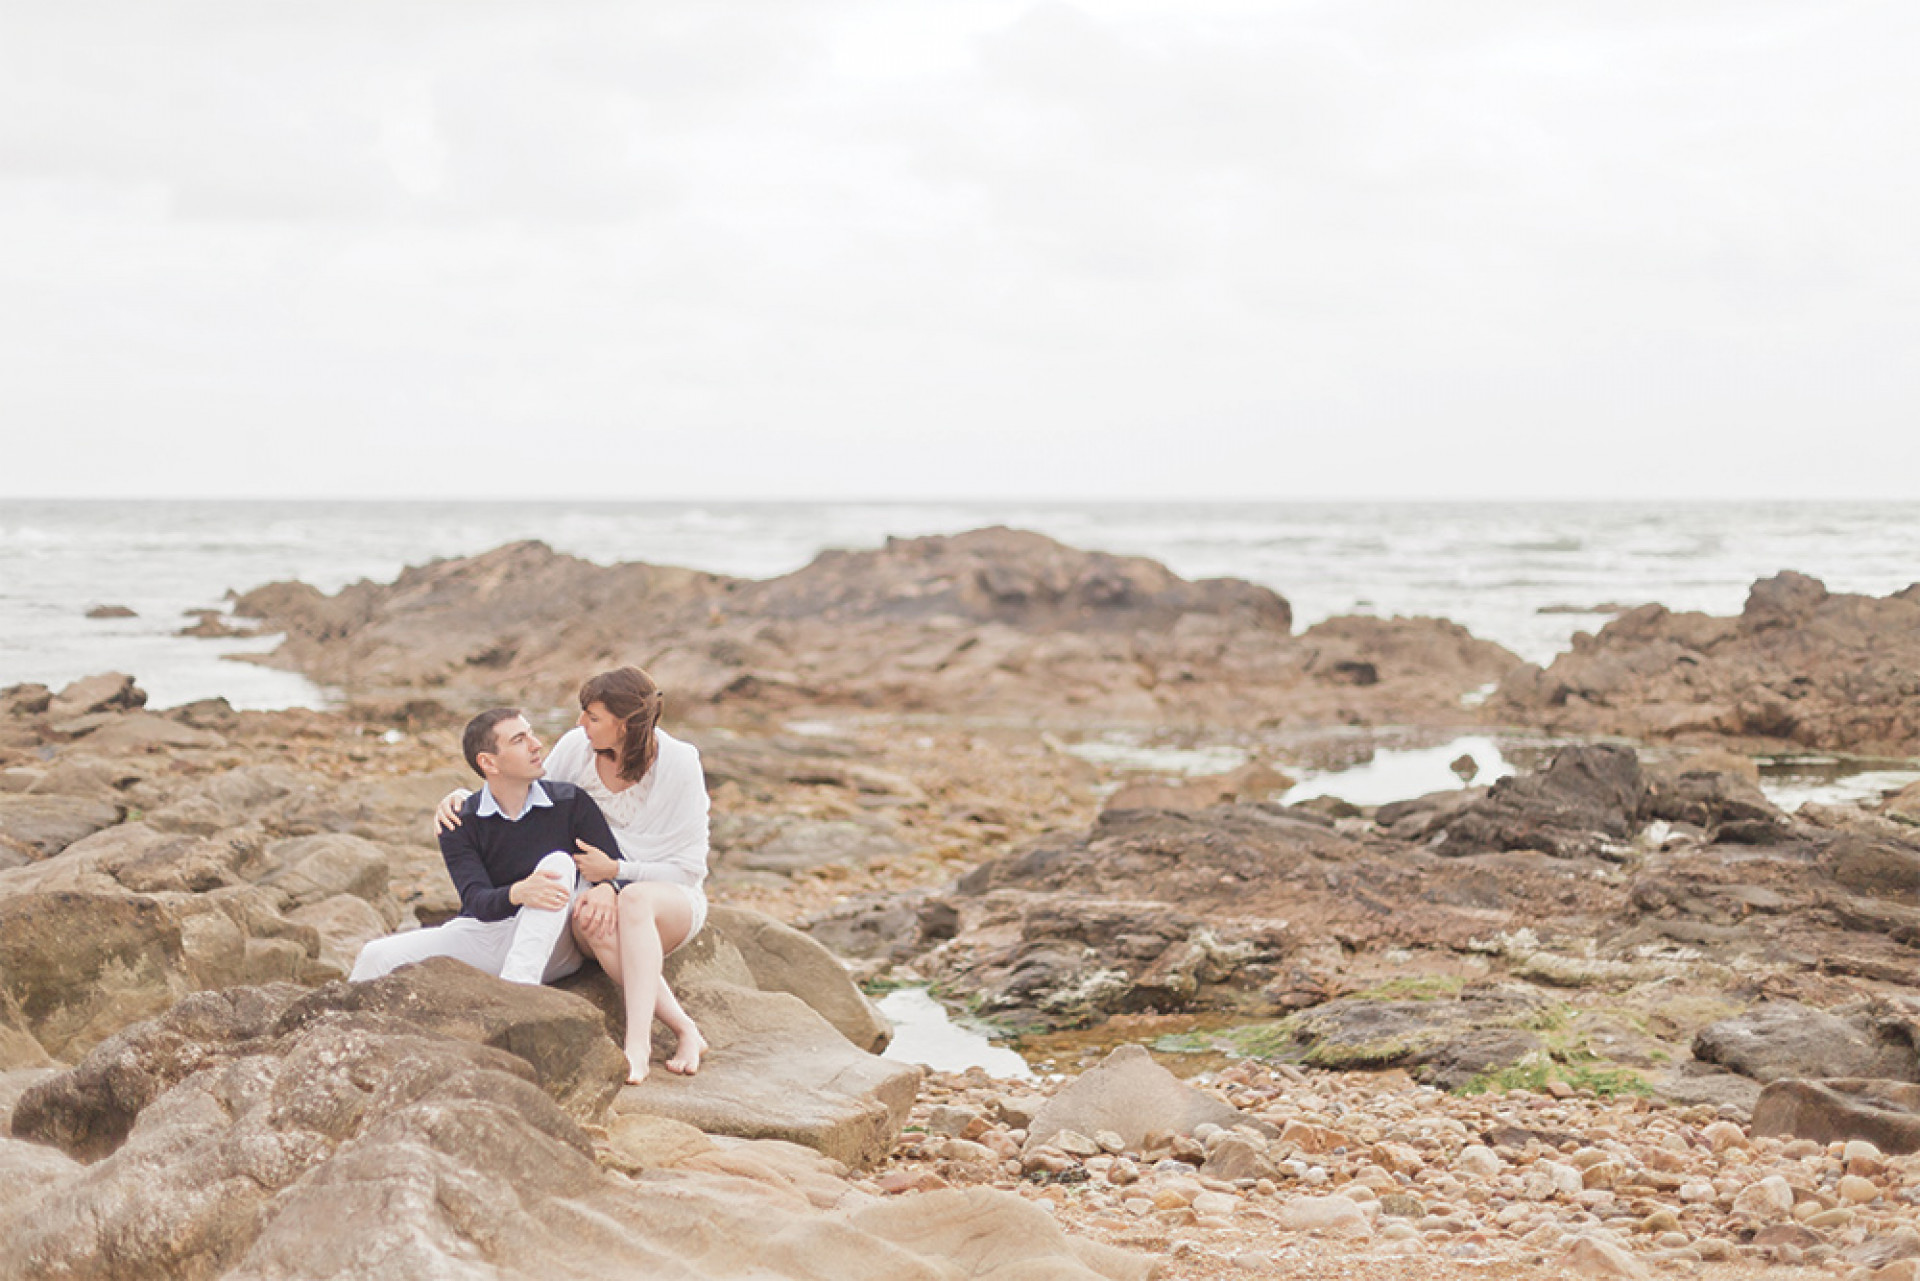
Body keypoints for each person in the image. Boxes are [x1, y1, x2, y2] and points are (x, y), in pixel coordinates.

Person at [438, 666, 710, 1084]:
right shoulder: (576, 749)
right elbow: (527, 795)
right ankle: (685, 1028)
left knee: (635, 901)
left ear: (625, 724)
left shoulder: (679, 763)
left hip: (668, 898)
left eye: (593, 717)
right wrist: (464, 799)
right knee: (592, 919)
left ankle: (637, 1046)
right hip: (597, 890)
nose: (580, 724)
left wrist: (616, 874)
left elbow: (689, 869)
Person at [351, 707, 619, 988]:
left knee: (558, 863)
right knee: (375, 954)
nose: (536, 744)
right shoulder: (460, 820)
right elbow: (476, 901)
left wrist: (607, 887)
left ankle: (519, 988)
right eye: (519, 740)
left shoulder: (570, 802)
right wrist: (517, 893)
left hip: (553, 938)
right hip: (487, 935)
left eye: (531, 734)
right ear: (489, 763)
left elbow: (614, 864)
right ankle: (339, 1025)